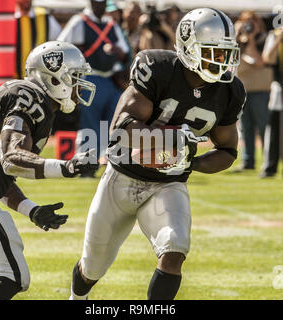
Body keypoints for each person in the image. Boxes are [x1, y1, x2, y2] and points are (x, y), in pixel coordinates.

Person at [69, 8, 246, 300]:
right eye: (213, 52)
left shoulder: (230, 91)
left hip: (169, 183)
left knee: (175, 247)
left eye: (226, 54)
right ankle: (77, 298)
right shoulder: (158, 66)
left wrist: (189, 161)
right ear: (189, 47)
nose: (222, 62)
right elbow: (122, 128)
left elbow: (227, 150)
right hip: (123, 177)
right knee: (93, 266)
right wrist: (171, 139)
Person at [0, 41, 97, 300]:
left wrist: (30, 209)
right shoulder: (32, 97)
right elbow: (11, 158)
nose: (80, 85)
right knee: (11, 275)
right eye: (75, 77)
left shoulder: (31, 98)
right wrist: (66, 167)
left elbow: (0, 175)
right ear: (55, 77)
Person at [58, 0, 130, 177]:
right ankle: (86, 167)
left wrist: (117, 51)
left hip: (111, 80)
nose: (101, 5)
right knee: (90, 125)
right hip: (89, 78)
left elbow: (126, 52)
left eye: (104, 2)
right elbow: (62, 47)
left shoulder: (110, 24)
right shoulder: (79, 21)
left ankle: (112, 166)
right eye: (98, 2)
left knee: (114, 124)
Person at [233, 11, 272, 172]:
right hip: (243, 92)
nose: (249, 24)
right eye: (245, 21)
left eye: (252, 21)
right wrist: (236, 32)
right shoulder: (239, 41)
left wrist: (250, 40)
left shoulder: (264, 39)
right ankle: (248, 162)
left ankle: (269, 161)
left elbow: (259, 61)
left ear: (259, 23)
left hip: (261, 91)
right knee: (245, 128)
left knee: (264, 128)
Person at [260, 26, 283, 178]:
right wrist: (279, 39)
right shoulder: (274, 35)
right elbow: (267, 58)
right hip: (280, 87)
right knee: (274, 128)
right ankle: (270, 166)